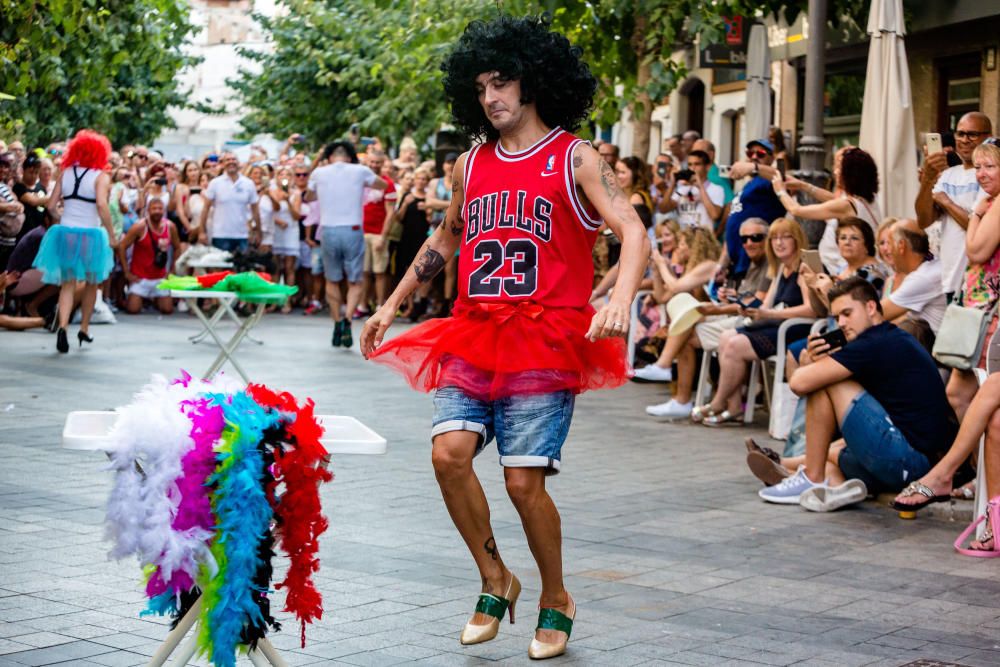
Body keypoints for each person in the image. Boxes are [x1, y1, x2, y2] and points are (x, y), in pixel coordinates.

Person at [360, 15, 648, 659]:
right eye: (483, 85)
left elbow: (633, 230)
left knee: (523, 485)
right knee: (447, 455)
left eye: (504, 82)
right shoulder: (469, 163)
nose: (492, 96)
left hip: (545, 339)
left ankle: (556, 596)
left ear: (534, 83)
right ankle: (495, 577)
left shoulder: (576, 156)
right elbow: (445, 238)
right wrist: (390, 304)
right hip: (473, 332)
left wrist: (622, 298)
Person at [754, 278, 957, 511]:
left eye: (847, 313)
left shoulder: (874, 343)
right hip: (910, 464)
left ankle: (810, 476)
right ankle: (832, 484)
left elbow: (800, 383)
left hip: (909, 463)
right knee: (830, 454)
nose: (841, 323)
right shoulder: (890, 337)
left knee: (823, 383)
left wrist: (809, 365)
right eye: (837, 316)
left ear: (871, 307)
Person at [642, 219, 772, 418]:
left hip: (740, 319)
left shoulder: (708, 265)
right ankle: (678, 392)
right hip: (724, 316)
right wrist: (659, 271)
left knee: (689, 320)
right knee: (688, 321)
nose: (748, 243)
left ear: (695, 245)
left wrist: (661, 264)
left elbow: (755, 305)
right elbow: (663, 297)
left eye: (755, 238)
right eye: (744, 239)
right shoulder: (750, 264)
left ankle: (667, 371)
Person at [696, 217, 817, 426]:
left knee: (734, 345)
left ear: (796, 239)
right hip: (773, 324)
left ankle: (718, 402)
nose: (779, 243)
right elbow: (766, 305)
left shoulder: (803, 268)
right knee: (725, 338)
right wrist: (742, 303)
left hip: (793, 328)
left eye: (785, 237)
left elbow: (812, 310)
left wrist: (769, 315)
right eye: (775, 238)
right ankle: (733, 408)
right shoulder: (780, 269)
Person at [34, 129, 116, 353]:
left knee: (67, 283)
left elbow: (50, 206)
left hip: (66, 233)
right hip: (91, 233)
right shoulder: (101, 176)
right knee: (91, 282)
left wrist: (63, 218)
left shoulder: (66, 173)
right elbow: (101, 205)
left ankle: (62, 327)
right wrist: (111, 233)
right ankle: (84, 329)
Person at [304, 140, 388, 347]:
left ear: (330, 157)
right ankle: (349, 319)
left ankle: (337, 321)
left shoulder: (319, 173)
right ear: (350, 156)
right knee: (355, 281)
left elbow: (308, 196)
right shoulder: (360, 170)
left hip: (329, 229)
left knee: (331, 280)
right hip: (353, 229)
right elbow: (383, 185)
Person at [942, 138, 1000, 425]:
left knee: (972, 393)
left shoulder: (995, 204)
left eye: (990, 166)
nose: (981, 174)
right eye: (978, 167)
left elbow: (976, 251)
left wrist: (975, 213)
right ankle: (981, 467)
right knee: (959, 393)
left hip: (990, 312)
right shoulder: (992, 201)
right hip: (979, 308)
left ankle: (986, 467)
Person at [915, 112, 992, 301]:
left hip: (980, 281)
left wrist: (946, 202)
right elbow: (924, 220)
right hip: (950, 279)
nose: (964, 140)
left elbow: (983, 229)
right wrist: (928, 179)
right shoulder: (949, 175)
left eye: (972, 134)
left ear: (988, 137)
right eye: (960, 134)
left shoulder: (989, 176)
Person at [773, 146, 882, 275]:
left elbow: (796, 210)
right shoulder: (867, 199)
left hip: (842, 269)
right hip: (848, 266)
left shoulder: (846, 205)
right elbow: (833, 200)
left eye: (839, 168)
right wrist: (803, 186)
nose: (835, 172)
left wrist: (780, 190)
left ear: (850, 175)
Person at [723, 139, 786, 276]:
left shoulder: (768, 181)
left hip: (757, 260)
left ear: (771, 157)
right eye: (750, 153)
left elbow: (781, 177)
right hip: (737, 260)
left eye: (761, 154)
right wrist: (722, 262)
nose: (754, 157)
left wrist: (753, 167)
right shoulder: (749, 184)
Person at [880, 220, 946, 350]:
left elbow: (876, 314)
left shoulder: (922, 278)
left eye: (890, 242)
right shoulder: (929, 269)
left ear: (901, 246)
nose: (887, 249)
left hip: (938, 362)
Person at [117, 198, 181, 315]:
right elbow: (122, 246)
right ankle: (139, 297)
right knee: (133, 309)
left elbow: (177, 247)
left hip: (160, 277)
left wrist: (172, 270)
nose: (157, 211)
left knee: (167, 310)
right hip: (141, 277)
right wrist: (127, 272)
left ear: (164, 211)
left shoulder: (170, 226)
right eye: (154, 208)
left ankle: (153, 299)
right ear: (148, 211)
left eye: (160, 208)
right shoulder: (140, 226)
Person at [199, 153, 262, 253]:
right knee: (220, 268)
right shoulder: (215, 183)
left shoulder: (248, 183)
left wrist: (258, 231)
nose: (231, 162)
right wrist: (202, 232)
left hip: (242, 235)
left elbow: (255, 210)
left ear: (239, 163)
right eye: (228, 160)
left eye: (234, 159)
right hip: (220, 235)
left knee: (241, 268)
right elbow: (205, 209)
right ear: (223, 164)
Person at [361, 150, 398, 315]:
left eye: (378, 162)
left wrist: (383, 236)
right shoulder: (360, 180)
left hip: (378, 233)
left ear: (383, 164)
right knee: (364, 272)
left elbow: (390, 213)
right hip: (360, 232)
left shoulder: (387, 183)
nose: (374, 165)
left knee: (380, 272)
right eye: (372, 162)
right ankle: (362, 305)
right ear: (367, 162)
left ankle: (379, 306)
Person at [660, 150, 723, 232]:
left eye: (697, 164)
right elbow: (663, 209)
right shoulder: (682, 188)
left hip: (703, 240)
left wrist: (700, 187)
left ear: (707, 167)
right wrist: (672, 184)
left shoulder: (717, 189)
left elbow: (714, 215)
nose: (692, 168)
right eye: (689, 164)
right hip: (684, 240)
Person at [12, 152, 49, 243]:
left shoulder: (41, 188)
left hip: (39, 232)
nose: (33, 176)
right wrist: (55, 195)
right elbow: (33, 201)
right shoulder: (19, 187)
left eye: (36, 173)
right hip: (23, 234)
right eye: (30, 172)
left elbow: (46, 212)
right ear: (23, 171)